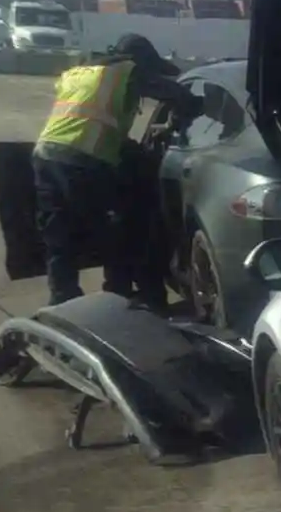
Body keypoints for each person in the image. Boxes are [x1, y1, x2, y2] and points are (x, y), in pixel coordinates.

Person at [31, 33, 197, 307]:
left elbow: (87, 118)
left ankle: (62, 299)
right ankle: (116, 296)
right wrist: (188, 108)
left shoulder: (79, 72)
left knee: (59, 234)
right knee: (114, 230)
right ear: (141, 61)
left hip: (46, 155)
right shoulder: (127, 71)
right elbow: (174, 94)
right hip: (83, 161)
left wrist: (130, 144)